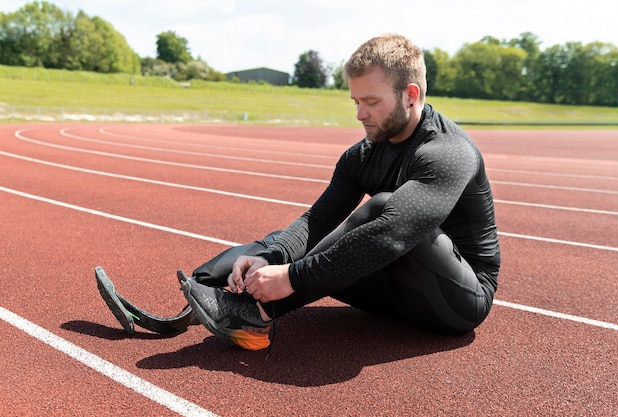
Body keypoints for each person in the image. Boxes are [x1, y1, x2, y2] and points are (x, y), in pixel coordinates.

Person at [176, 33, 501, 351]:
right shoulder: (362, 155)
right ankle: (209, 286)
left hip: (458, 299)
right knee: (285, 242)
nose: (360, 114)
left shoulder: (447, 152)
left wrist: (292, 277)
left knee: (381, 209)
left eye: (372, 102)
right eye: (356, 102)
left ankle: (255, 312)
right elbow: (316, 221)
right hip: (392, 290)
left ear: (410, 95)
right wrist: (269, 259)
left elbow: (391, 235)